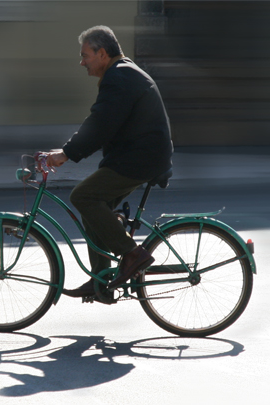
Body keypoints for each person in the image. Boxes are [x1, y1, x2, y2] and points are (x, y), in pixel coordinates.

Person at [43, 25, 174, 298]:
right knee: (94, 209)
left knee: (83, 196)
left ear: (102, 53)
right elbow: (106, 126)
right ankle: (100, 280)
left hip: (140, 160)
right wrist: (69, 150)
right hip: (138, 157)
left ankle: (132, 255)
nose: (82, 62)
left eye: (85, 55)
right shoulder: (122, 72)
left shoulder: (120, 76)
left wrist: (66, 154)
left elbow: (100, 125)